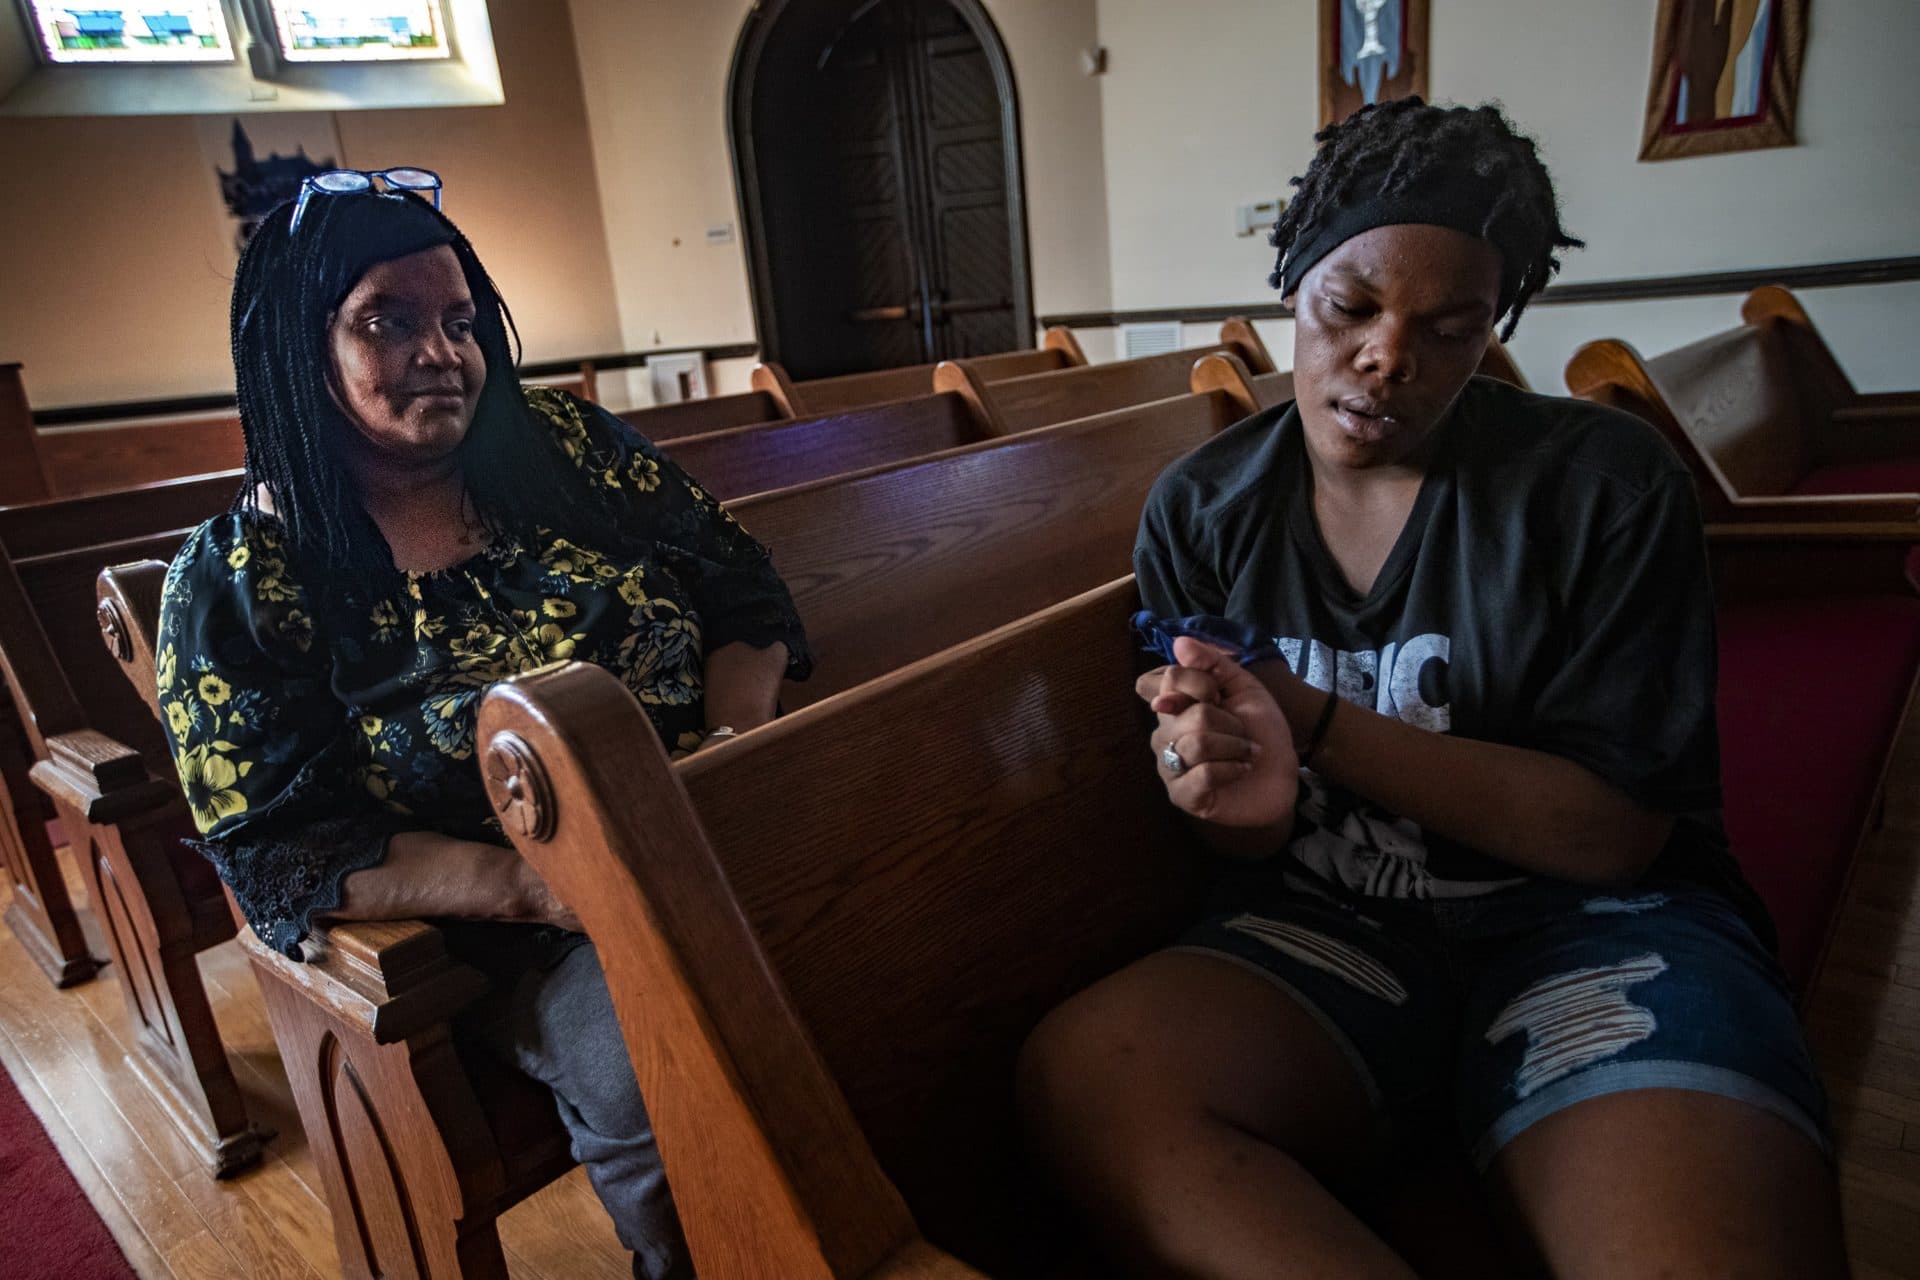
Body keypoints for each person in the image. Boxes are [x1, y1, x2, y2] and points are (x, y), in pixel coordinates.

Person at [1017, 100, 1846, 1278]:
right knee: (1090, 1074)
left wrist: (1309, 723)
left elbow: (1609, 835)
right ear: (1292, 289)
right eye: (1348, 308)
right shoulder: (1204, 508)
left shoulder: (1601, 486)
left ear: (1495, 325)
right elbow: (1234, 815)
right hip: (1338, 923)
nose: (1388, 357)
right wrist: (1236, 811)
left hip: (1592, 925)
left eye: (1450, 327)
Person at [157, 172, 810, 1280]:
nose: (441, 352)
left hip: (714, 824)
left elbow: (744, 596)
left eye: (460, 321)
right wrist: (541, 887)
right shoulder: (238, 581)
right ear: (293, 350)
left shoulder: (560, 450)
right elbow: (282, 845)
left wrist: (738, 739)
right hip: (510, 930)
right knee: (665, 1057)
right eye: (388, 322)